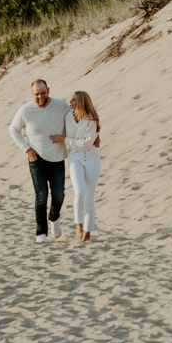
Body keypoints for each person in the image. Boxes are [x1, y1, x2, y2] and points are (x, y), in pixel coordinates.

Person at [8, 78, 70, 242]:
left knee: (58, 195)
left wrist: (92, 134)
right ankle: (41, 232)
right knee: (41, 195)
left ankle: (54, 219)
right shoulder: (25, 110)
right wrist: (26, 149)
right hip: (37, 160)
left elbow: (75, 119)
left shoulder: (61, 105)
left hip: (57, 159)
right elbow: (13, 129)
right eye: (37, 94)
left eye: (43, 93)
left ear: (48, 90)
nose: (40, 97)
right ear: (32, 94)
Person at [65, 90, 102, 243]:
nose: (70, 103)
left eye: (74, 100)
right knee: (79, 191)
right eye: (71, 100)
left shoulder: (91, 120)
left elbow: (87, 143)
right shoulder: (67, 116)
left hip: (92, 158)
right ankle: (79, 224)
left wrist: (65, 140)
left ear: (81, 102)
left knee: (89, 197)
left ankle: (88, 231)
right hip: (75, 158)